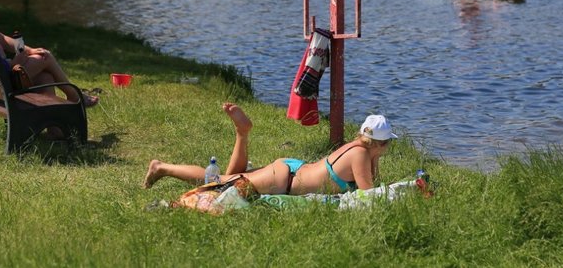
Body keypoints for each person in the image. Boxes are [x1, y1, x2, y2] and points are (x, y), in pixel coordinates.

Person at [143, 103, 397, 194]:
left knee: (230, 177)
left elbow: (370, 183)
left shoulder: (358, 149)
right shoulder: (361, 155)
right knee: (219, 182)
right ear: (383, 143)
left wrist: (376, 159)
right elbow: (369, 194)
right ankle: (162, 167)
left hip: (291, 170)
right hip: (285, 180)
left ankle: (242, 134)